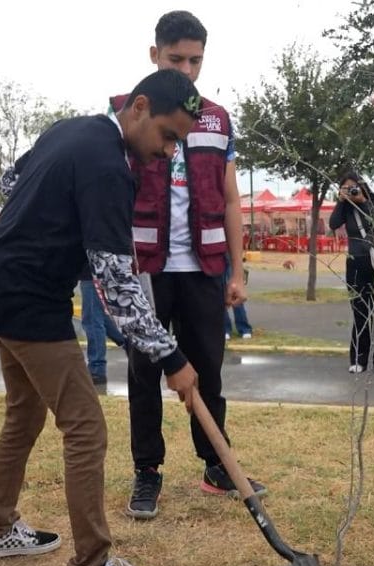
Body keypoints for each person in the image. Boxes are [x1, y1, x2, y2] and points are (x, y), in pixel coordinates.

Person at [0, 69, 202, 566]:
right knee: (86, 429)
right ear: (139, 107)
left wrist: (50, 225)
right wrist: (172, 358)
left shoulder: (71, 130)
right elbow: (116, 284)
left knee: (23, 415)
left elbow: (10, 181)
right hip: (30, 304)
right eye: (167, 136)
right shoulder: (106, 166)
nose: (168, 152)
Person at [112, 11, 264, 522]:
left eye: (196, 59)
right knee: (145, 370)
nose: (188, 68)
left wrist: (237, 273)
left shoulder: (218, 119)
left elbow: (230, 201)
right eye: (177, 58)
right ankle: (147, 470)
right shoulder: (129, 114)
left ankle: (216, 465)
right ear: (154, 55)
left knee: (209, 370)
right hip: (147, 268)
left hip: (204, 267)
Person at [329, 171, 374, 375]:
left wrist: (363, 200)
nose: (351, 191)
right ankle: (358, 358)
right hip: (355, 262)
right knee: (359, 311)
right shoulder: (345, 208)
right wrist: (342, 200)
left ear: (362, 185)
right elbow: (333, 224)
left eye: (353, 187)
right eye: (346, 188)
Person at [79, 268, 127, 387]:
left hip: (92, 272)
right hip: (96, 272)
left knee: (92, 320)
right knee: (99, 317)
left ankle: (97, 369)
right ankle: (130, 343)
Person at [222, 255, 253, 340]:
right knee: (220, 292)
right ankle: (225, 328)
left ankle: (243, 328)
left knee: (235, 291)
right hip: (217, 252)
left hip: (230, 254)